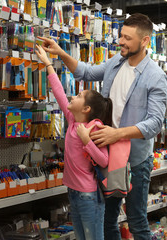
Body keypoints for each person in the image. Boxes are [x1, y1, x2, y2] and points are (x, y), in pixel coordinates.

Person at [38, 13, 167, 240]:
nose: (121, 42)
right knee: (108, 222)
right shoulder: (116, 63)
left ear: (145, 41)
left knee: (137, 222)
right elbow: (86, 72)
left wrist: (116, 133)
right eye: (121, 36)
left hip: (136, 159)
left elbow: (155, 123)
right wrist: (60, 53)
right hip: (107, 156)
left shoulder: (155, 76)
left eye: (128, 38)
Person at [35, 44, 113, 240]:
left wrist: (87, 141)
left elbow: (104, 161)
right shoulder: (72, 121)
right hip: (74, 192)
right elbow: (60, 92)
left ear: (86, 108)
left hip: (89, 195)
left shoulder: (94, 128)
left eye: (78, 96)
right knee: (80, 237)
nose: (72, 96)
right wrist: (48, 64)